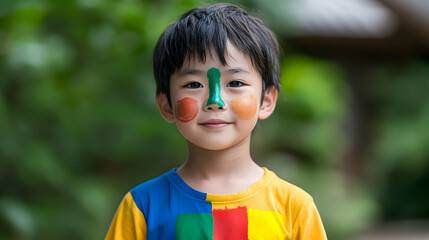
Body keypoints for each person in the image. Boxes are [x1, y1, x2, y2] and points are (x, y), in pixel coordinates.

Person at [106, 3, 327, 240]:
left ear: (267, 101)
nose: (215, 101)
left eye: (235, 83)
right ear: (166, 105)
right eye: (193, 85)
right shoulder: (142, 206)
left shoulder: (294, 208)